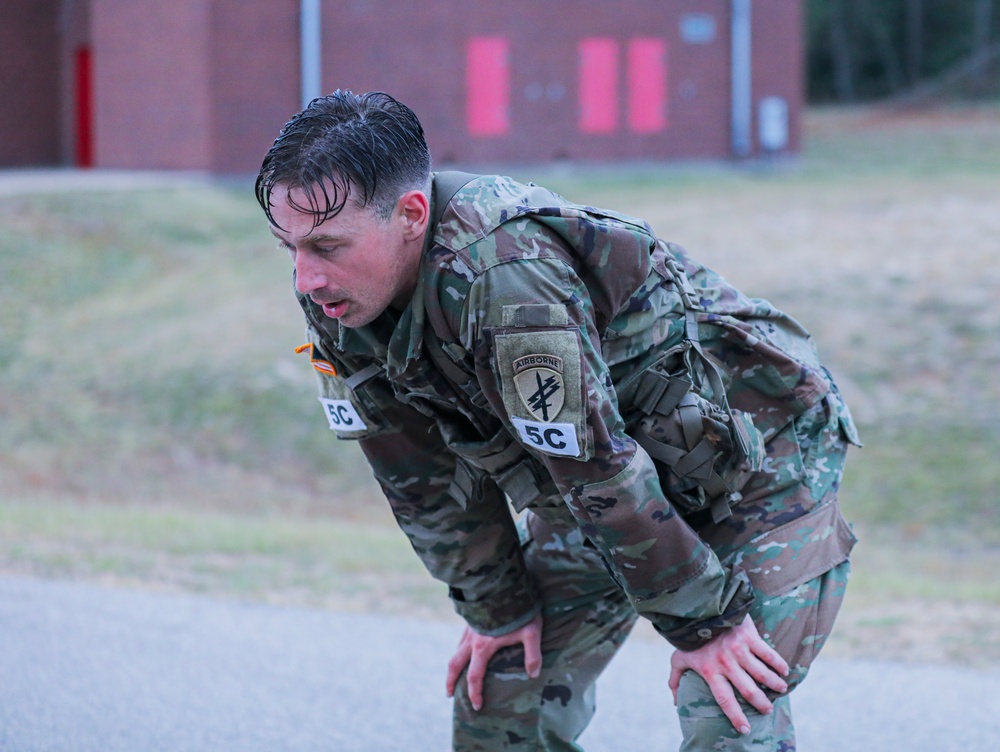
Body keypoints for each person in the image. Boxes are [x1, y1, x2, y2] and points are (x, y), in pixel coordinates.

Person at [254, 90, 860, 751]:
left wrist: (706, 624)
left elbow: (600, 469)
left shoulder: (504, 275)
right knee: (503, 693)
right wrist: (497, 608)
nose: (306, 277)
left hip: (756, 469)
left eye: (326, 246)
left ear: (410, 214)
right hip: (604, 491)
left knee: (728, 707)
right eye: (289, 248)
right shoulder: (343, 299)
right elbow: (418, 476)